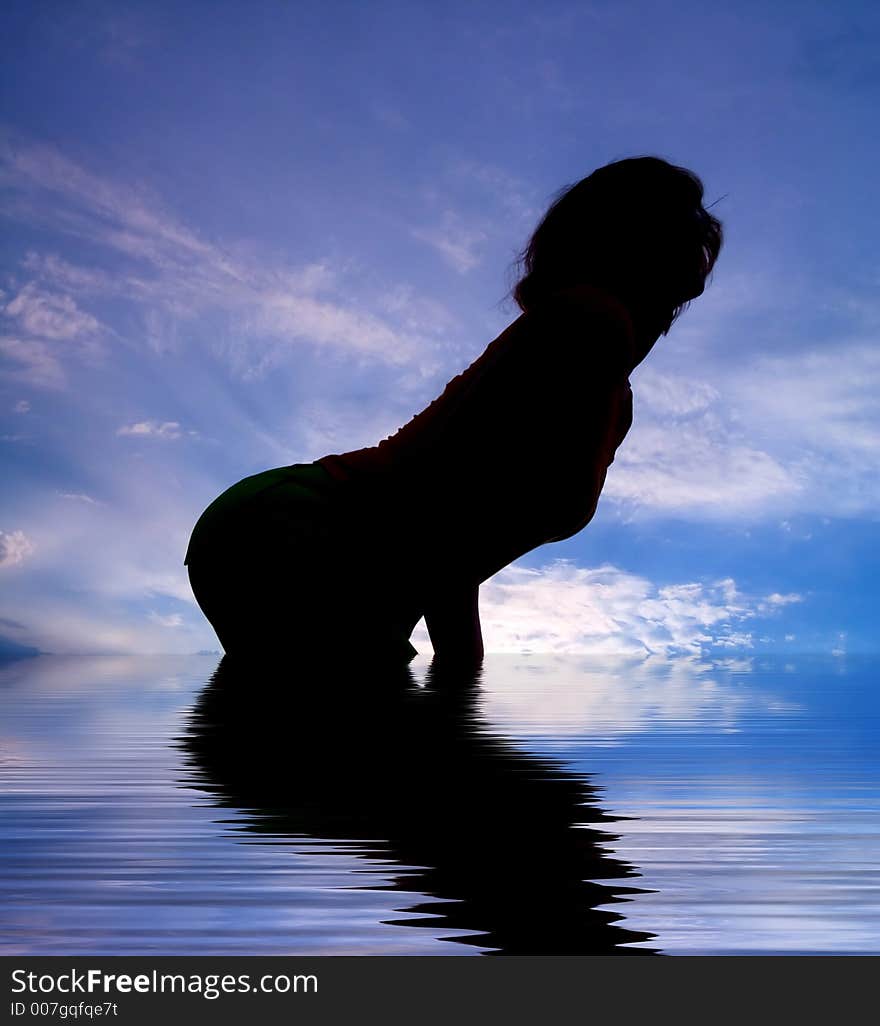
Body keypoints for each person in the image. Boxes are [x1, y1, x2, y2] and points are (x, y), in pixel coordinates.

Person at [185, 156, 722, 665]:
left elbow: (458, 535)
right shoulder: (587, 322)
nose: (702, 243)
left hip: (324, 546)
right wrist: (462, 672)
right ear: (631, 237)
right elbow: (448, 506)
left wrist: (462, 666)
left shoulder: (613, 393)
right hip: (299, 529)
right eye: (681, 223)